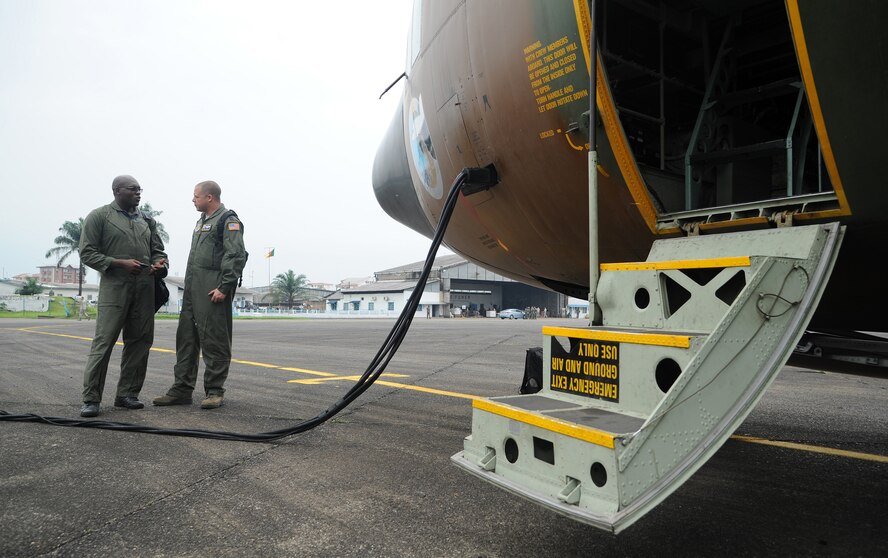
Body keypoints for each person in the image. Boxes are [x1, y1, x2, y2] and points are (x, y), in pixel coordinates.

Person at [78, 175, 168, 418]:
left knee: (140, 341)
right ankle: (91, 398)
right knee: (104, 342)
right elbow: (87, 252)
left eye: (140, 189)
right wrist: (118, 263)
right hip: (115, 288)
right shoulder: (99, 216)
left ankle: (127, 394)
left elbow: (158, 250)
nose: (138, 193)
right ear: (118, 191)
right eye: (133, 189)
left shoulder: (147, 220)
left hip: (144, 288)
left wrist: (160, 264)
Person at [154, 180, 246, 410]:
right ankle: (182, 389)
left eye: (196, 196)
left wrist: (224, 287)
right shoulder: (201, 222)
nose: (193, 200)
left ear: (210, 197)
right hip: (193, 290)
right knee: (186, 339)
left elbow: (235, 255)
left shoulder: (228, 221)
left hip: (213, 289)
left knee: (214, 339)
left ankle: (215, 390)